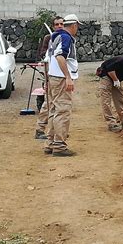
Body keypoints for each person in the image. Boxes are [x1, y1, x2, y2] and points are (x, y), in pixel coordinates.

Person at [43, 14, 82, 157]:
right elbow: (60, 56)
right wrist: (68, 77)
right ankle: (59, 145)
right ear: (74, 25)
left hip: (54, 76)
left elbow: (49, 57)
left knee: (54, 110)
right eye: (77, 26)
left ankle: (51, 143)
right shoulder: (66, 38)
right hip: (60, 78)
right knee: (63, 111)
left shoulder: (55, 36)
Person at [35, 16, 64, 140]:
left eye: (61, 24)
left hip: (59, 74)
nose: (59, 26)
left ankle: (54, 131)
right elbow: (43, 55)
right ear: (53, 26)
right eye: (57, 24)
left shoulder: (64, 37)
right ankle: (40, 129)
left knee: (54, 104)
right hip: (50, 73)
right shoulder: (49, 38)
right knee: (49, 102)